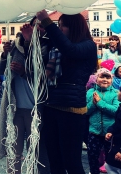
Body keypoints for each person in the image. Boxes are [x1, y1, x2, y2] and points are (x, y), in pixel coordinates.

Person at [35, 10, 97, 174]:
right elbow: (50, 51)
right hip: (52, 106)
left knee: (72, 163)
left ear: (74, 27)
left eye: (63, 26)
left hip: (72, 110)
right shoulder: (59, 46)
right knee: (55, 161)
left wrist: (48, 23)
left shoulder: (88, 45)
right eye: (59, 26)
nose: (60, 29)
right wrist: (35, 36)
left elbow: (70, 49)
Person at [0, 18, 51, 173]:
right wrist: (5, 55)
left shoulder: (47, 46)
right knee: (13, 150)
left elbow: (42, 72)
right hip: (15, 107)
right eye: (34, 25)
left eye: (40, 26)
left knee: (36, 152)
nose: (36, 28)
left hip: (36, 109)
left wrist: (24, 72)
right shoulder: (15, 45)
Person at [86, 68, 119, 174]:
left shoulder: (115, 93)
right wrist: (93, 103)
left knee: (110, 156)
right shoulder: (90, 92)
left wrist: (99, 103)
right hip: (94, 131)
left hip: (110, 132)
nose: (105, 79)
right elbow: (86, 111)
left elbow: (116, 111)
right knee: (92, 156)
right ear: (96, 79)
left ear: (112, 80)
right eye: (102, 77)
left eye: (108, 77)